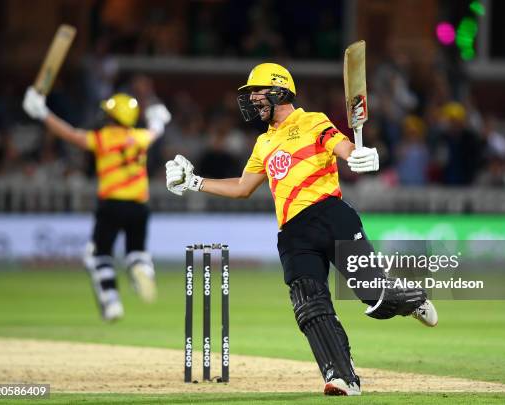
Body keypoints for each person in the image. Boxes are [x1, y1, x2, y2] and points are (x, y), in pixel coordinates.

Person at [165, 63, 437, 396]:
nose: (251, 99)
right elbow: (241, 187)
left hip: (331, 216)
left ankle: (413, 299)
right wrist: (194, 181)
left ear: (279, 91)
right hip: (294, 234)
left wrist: (359, 155)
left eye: (257, 92)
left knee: (374, 295)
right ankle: (342, 377)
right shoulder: (263, 143)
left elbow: (342, 146)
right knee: (310, 305)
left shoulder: (312, 120)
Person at [22, 87, 171, 322]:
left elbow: (69, 134)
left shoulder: (103, 138)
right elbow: (155, 131)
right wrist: (158, 119)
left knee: (99, 255)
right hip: (139, 206)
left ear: (113, 117)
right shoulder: (140, 137)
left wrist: (42, 113)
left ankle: (111, 302)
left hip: (111, 204)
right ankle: (141, 268)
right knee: (136, 251)